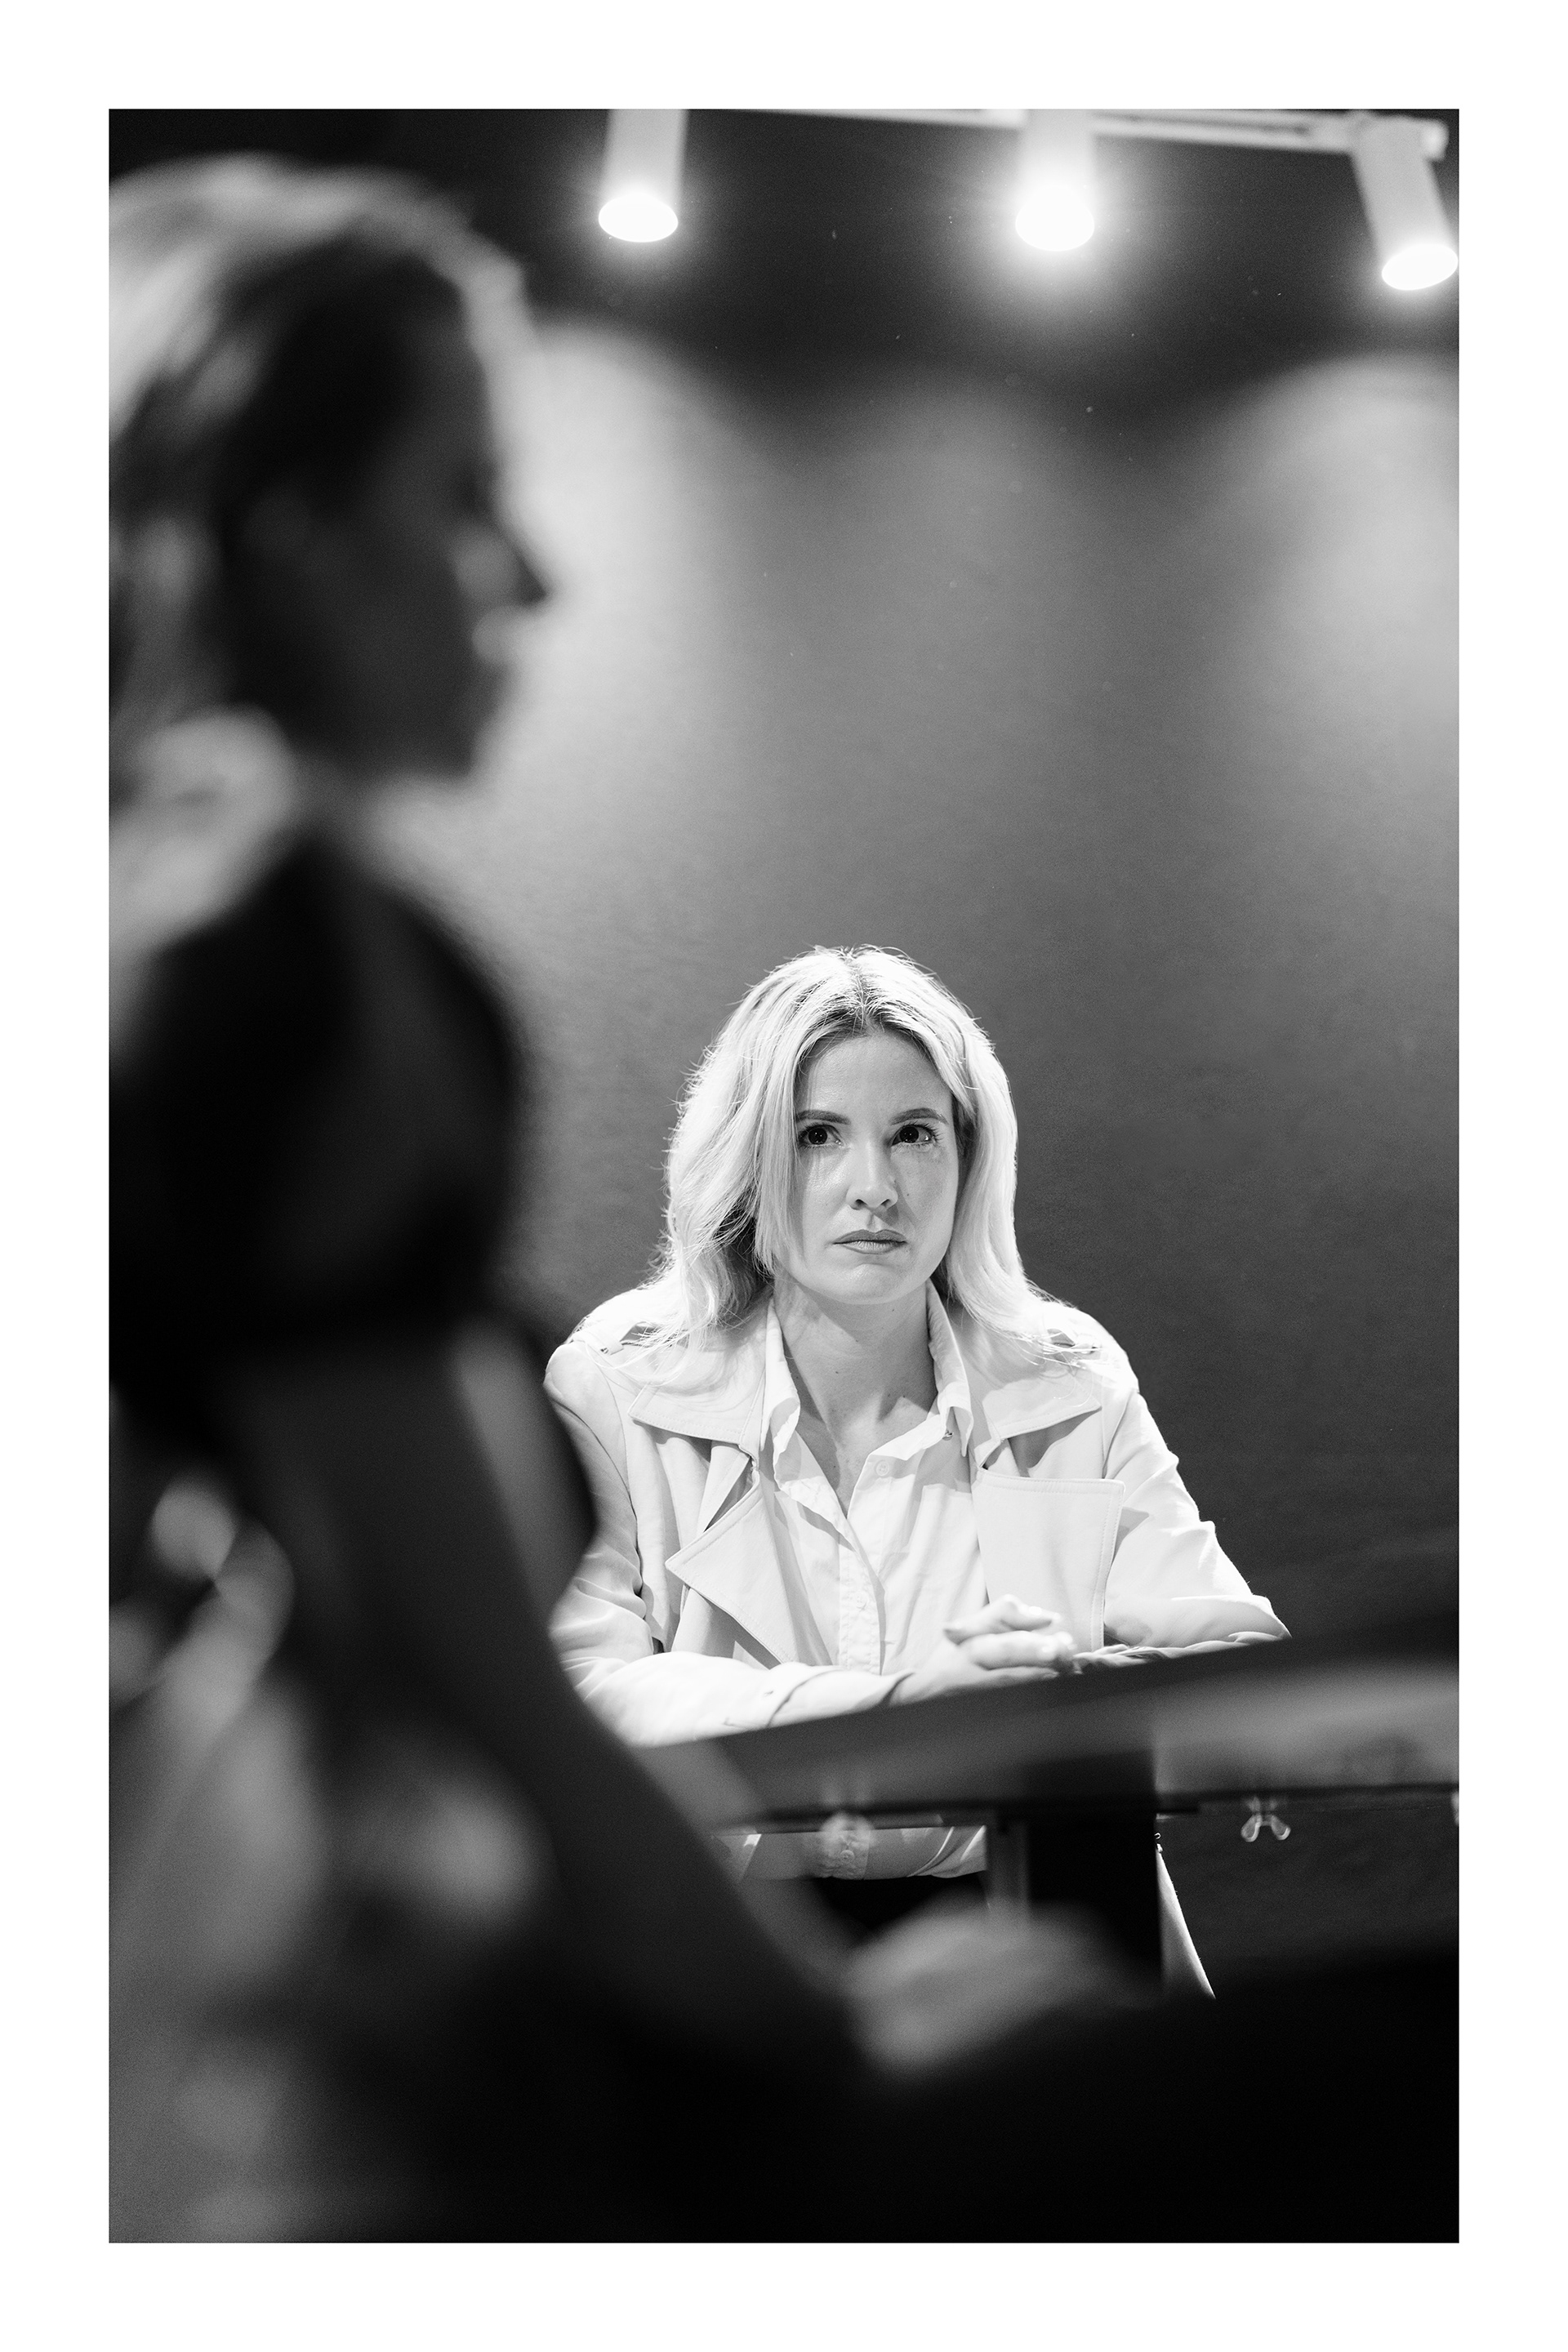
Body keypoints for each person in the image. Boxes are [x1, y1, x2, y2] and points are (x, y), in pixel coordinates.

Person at [109, 154, 1452, 2243]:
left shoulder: (150, 927)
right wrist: (833, 2024)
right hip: (372, 2086)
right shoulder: (278, 968)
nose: (532, 575)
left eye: (920, 1136)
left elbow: (1211, 1645)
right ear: (295, 538)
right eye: (466, 495)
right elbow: (490, 1703)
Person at [545, 947, 1285, 1951]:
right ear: (747, 1158)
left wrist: (1048, 1695)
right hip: (724, 1940)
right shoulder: (614, 1380)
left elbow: (1235, 1662)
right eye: (817, 1135)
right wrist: (909, 1712)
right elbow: (584, 1700)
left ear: (970, 1160)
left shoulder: (1068, 1378)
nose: (876, 1188)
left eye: (914, 1135)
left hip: (1041, 1929)